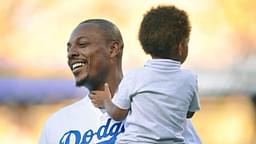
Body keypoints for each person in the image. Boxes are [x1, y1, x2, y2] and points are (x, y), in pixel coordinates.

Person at [39, 18, 201, 144]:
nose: (71, 53)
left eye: (82, 44)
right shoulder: (57, 124)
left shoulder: (162, 107)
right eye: (68, 48)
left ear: (113, 49)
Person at [90, 5, 200, 144]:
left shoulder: (134, 77)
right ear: (180, 47)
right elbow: (189, 113)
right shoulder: (190, 79)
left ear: (146, 45)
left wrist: (106, 100)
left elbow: (117, 115)